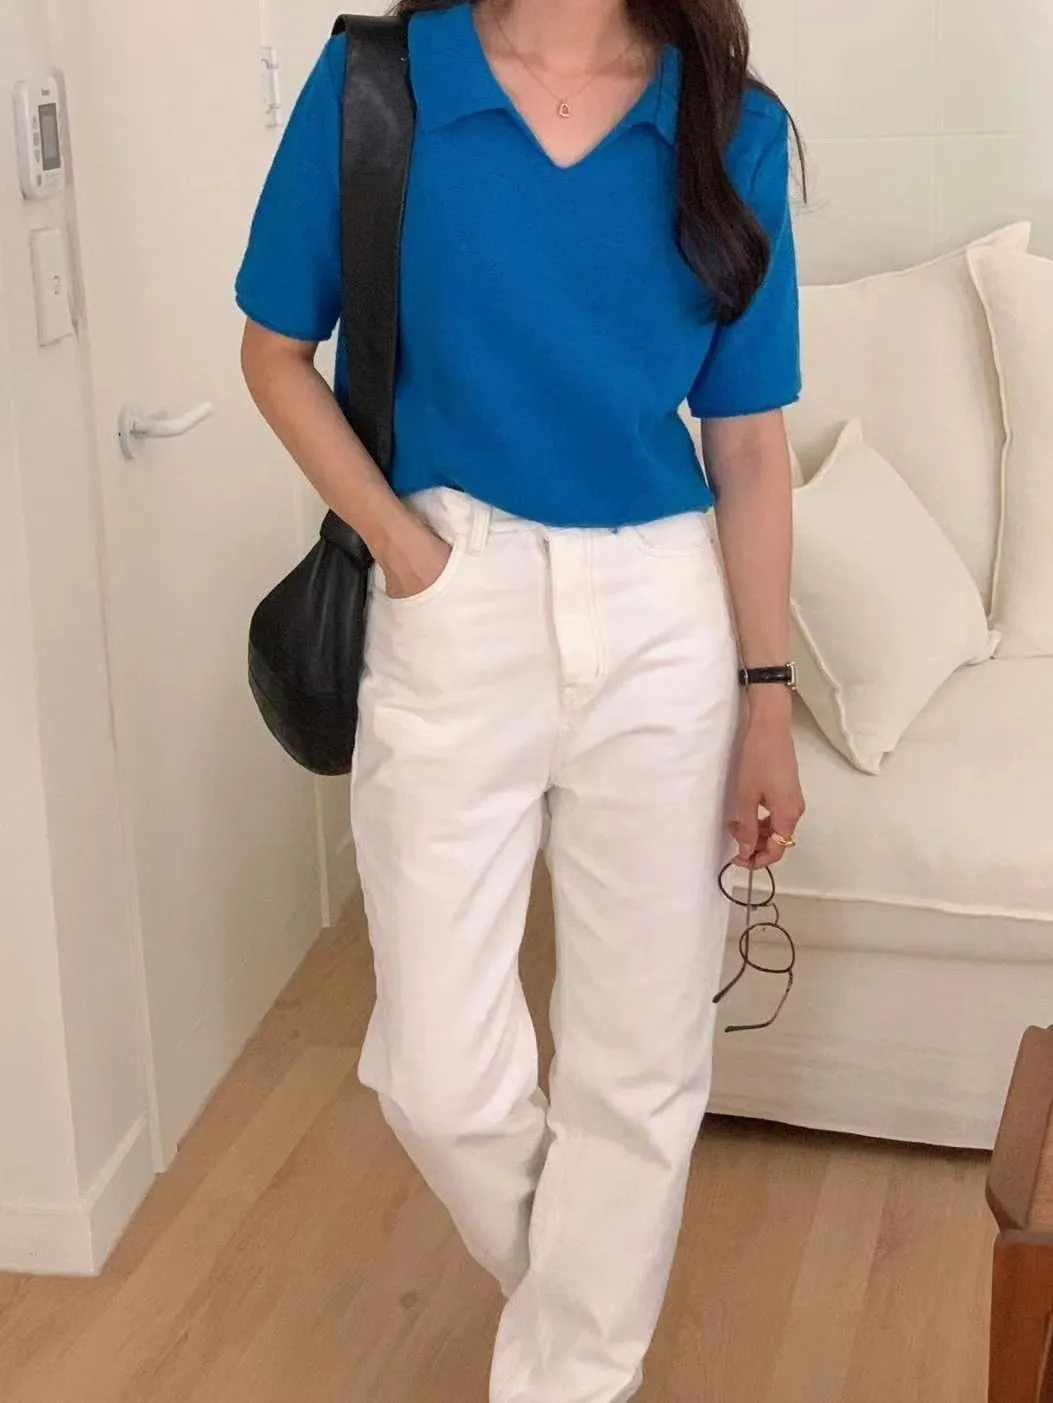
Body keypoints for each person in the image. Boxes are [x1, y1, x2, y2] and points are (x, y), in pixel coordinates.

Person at [236, 0, 805, 1397]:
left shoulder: (732, 121)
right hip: (451, 593)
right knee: (434, 1071)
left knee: (640, 1058)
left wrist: (768, 699)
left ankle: (571, 1374)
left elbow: (747, 441)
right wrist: (408, 549)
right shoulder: (382, 84)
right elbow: (272, 352)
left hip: (663, 616)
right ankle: (581, 1301)